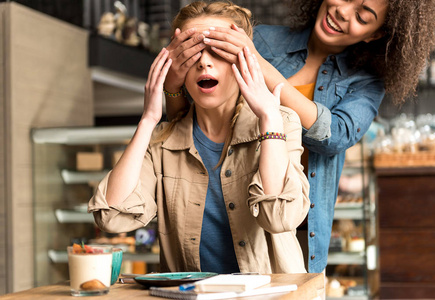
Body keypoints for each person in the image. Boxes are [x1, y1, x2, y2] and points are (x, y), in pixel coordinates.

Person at [163, 0, 435, 274]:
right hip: (231, 209)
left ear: (376, 34)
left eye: (363, 17)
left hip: (300, 229)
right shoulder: (261, 39)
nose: (342, 11)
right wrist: (172, 87)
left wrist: (259, 66)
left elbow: (334, 136)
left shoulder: (366, 81)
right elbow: (190, 116)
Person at [88, 1, 310, 275]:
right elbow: (112, 218)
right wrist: (148, 120)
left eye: (218, 50)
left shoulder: (281, 123)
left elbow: (280, 218)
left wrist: (269, 118)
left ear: (244, 61)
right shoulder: (161, 142)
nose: (204, 61)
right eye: (192, 52)